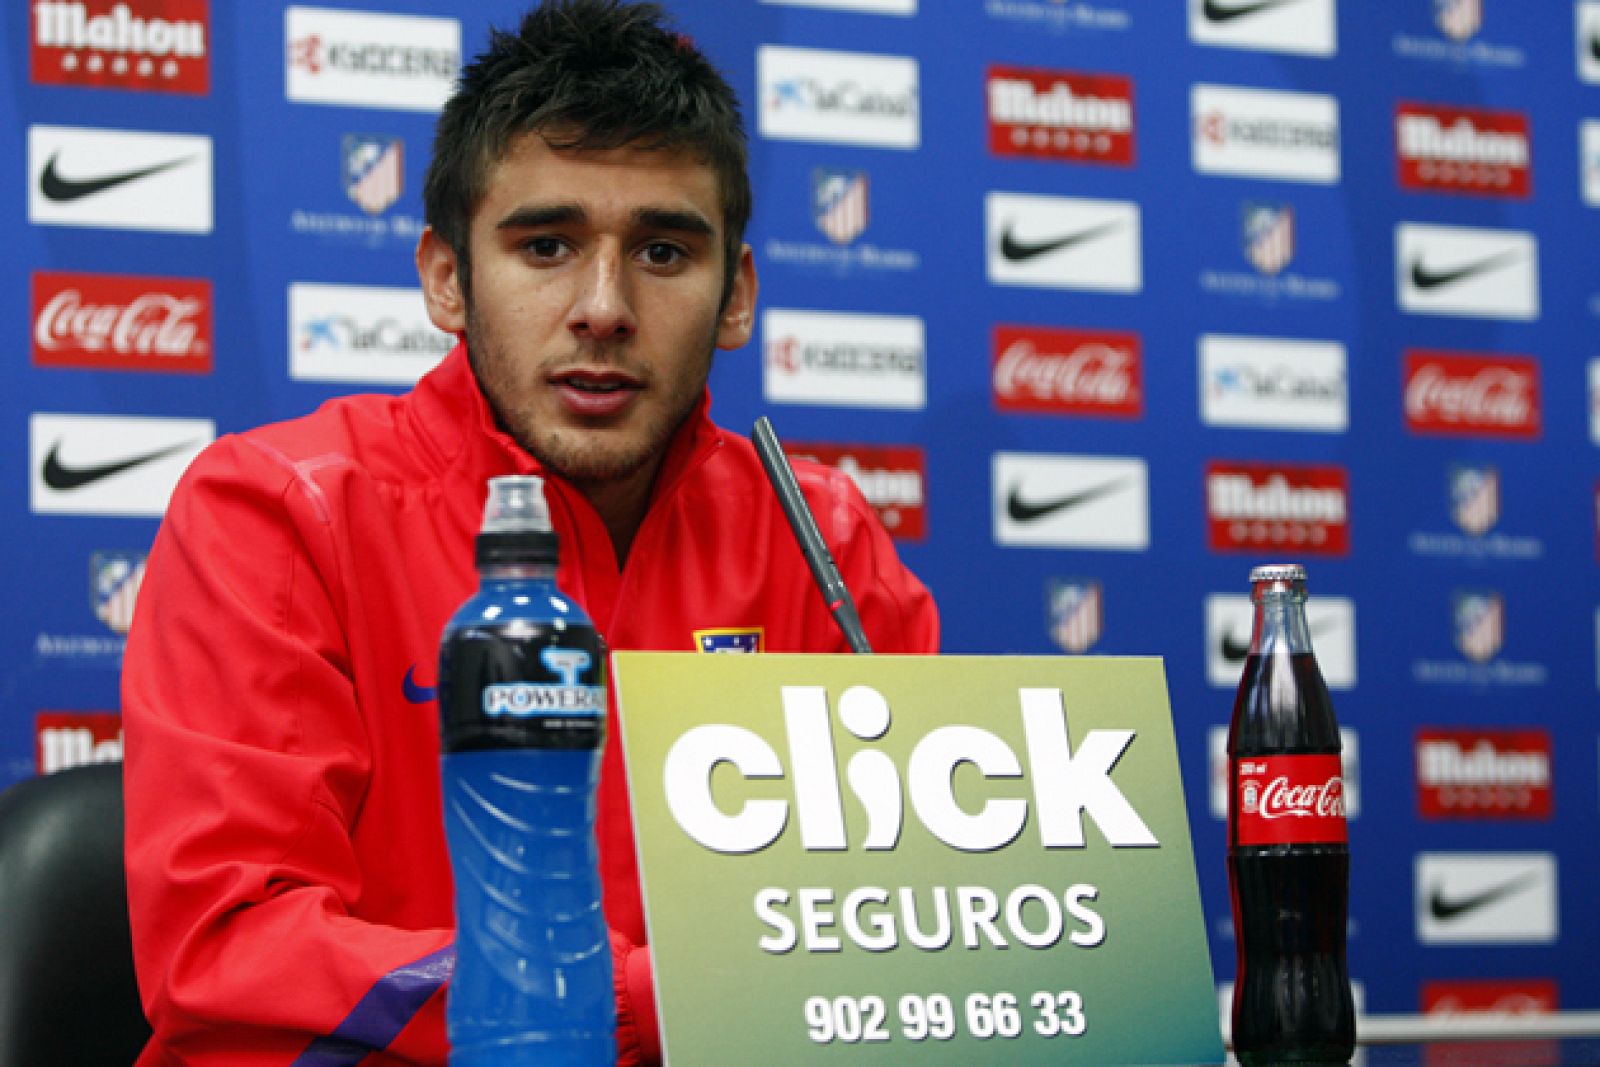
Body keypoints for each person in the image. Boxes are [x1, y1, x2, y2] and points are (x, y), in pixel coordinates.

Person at [120, 1, 939, 1065]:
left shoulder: (817, 534)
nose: (603, 305)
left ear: (736, 295)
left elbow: (927, 923)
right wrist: (649, 998)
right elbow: (232, 947)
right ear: (447, 278)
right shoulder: (279, 508)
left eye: (662, 249)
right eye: (545, 244)